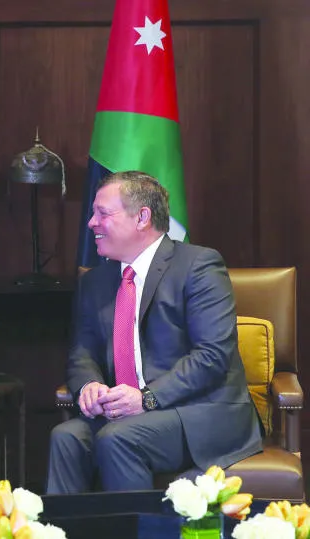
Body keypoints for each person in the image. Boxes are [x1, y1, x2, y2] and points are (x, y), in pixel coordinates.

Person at [46, 171, 262, 494]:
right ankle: (66, 524)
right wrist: (89, 384)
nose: (91, 223)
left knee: (118, 439)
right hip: (125, 412)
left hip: (195, 410)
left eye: (102, 213)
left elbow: (212, 356)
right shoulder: (95, 282)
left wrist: (147, 398)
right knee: (66, 438)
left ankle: (140, 523)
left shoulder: (198, 266)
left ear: (142, 217)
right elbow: (83, 352)